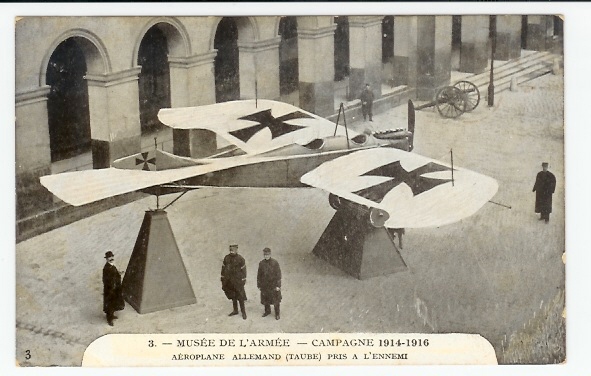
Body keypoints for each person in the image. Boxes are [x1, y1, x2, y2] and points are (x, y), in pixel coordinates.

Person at [221, 244, 247, 319]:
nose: (232, 252)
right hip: (229, 281)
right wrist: (223, 278)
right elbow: (223, 268)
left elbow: (244, 270)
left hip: (238, 281)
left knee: (241, 297)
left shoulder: (240, 259)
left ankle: (243, 313)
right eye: (231, 250)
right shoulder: (226, 258)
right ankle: (235, 310)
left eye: (234, 250)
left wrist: (243, 279)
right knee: (233, 297)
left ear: (236, 250)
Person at [257, 248, 282, 320]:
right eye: (265, 255)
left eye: (267, 255)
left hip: (273, 285)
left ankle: (277, 314)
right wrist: (259, 285)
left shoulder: (275, 263)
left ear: (270, 254)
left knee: (276, 300)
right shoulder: (261, 263)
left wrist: (278, 285)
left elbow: (278, 275)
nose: (266, 256)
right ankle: (267, 311)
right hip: (264, 285)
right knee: (266, 299)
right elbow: (259, 275)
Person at [102, 251, 125, 326]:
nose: (111, 258)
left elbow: (115, 274)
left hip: (115, 288)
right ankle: (109, 319)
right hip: (110, 290)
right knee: (110, 304)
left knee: (114, 303)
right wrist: (111, 287)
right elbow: (105, 280)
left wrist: (119, 274)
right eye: (109, 257)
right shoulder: (106, 268)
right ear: (107, 259)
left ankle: (112, 315)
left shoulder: (112, 266)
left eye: (112, 257)